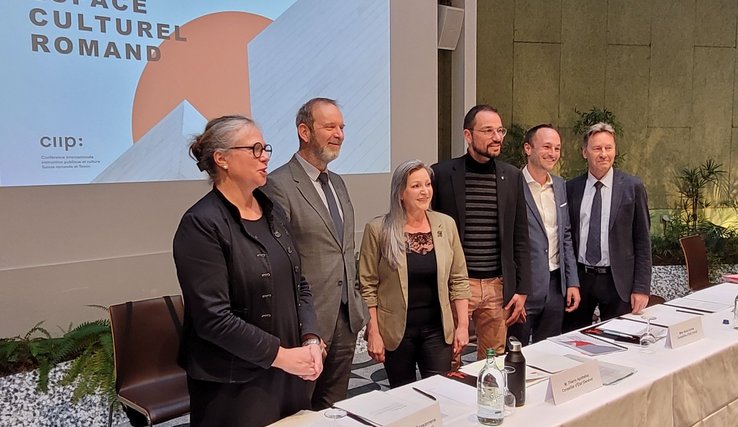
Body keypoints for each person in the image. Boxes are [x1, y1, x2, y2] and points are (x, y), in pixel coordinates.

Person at [173, 115, 323, 427]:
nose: (265, 156)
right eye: (255, 149)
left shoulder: (273, 210)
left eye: (265, 148)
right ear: (222, 159)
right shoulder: (201, 224)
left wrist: (310, 338)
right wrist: (282, 356)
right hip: (233, 384)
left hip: (288, 372)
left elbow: (300, 284)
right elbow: (212, 318)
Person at [264, 98, 368, 409]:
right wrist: (304, 327)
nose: (339, 134)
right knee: (299, 410)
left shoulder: (337, 183)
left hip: (346, 319)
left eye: (342, 127)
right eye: (330, 126)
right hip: (308, 325)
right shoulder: (278, 185)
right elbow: (279, 262)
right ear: (304, 131)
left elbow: (344, 250)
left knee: (335, 407)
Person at [431, 104, 532, 360]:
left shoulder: (511, 176)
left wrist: (521, 289)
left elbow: (520, 235)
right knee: (449, 355)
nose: (497, 137)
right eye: (488, 131)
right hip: (458, 285)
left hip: (498, 286)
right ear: (468, 135)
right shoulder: (442, 174)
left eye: (500, 130)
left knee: (493, 358)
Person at [358, 160, 470, 388]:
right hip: (396, 333)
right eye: (416, 186)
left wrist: (463, 327)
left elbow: (458, 278)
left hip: (437, 331)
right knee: (402, 398)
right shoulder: (378, 230)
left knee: (441, 392)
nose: (425, 191)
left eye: (427, 184)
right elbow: (367, 286)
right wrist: (374, 332)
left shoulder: (446, 225)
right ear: (400, 192)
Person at [563, 122, 651, 331]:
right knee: (572, 341)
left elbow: (643, 241)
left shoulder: (632, 187)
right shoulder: (571, 188)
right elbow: (566, 238)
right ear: (585, 152)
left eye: (608, 148)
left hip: (617, 281)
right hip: (580, 280)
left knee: (619, 342)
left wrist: (641, 288)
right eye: (597, 148)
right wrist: (569, 280)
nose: (603, 154)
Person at [507, 124, 580, 345]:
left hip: (556, 286)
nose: (553, 153)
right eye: (547, 146)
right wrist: (513, 289)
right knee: (514, 354)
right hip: (523, 288)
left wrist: (573, 282)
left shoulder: (560, 186)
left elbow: (565, 235)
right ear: (528, 148)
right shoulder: (511, 185)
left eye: (557, 148)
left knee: (549, 352)